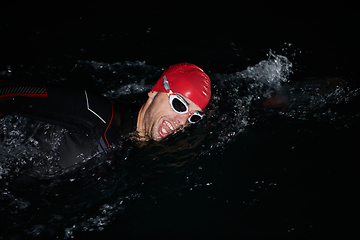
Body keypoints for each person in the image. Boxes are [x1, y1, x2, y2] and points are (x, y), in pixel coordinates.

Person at [0, 63, 211, 168]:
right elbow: (14, 92)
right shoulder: (97, 113)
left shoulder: (138, 146)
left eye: (193, 117)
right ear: (155, 91)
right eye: (179, 105)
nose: (181, 122)